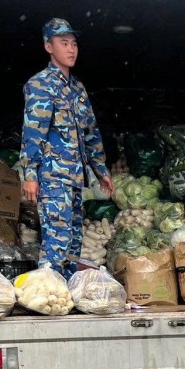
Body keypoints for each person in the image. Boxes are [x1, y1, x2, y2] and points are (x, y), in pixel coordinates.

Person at [20, 18, 113, 278]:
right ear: (48, 47)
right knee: (56, 243)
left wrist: (101, 170)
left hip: (74, 180)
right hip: (52, 178)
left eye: (74, 44)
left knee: (73, 243)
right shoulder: (40, 84)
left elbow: (90, 131)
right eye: (64, 43)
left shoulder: (77, 89)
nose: (71, 49)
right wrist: (30, 175)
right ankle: (48, 291)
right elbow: (33, 133)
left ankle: (68, 290)